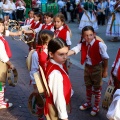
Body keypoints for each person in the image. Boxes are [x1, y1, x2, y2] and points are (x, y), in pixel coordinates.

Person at [68, 26, 109, 116]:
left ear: (94, 34)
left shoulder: (100, 45)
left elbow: (105, 58)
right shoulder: (83, 44)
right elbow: (75, 49)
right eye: (86, 35)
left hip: (97, 68)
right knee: (88, 85)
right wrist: (65, 54)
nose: (88, 37)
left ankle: (96, 106)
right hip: (87, 67)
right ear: (82, 36)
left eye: (90, 35)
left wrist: (105, 71)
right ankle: (88, 102)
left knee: (97, 88)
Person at [44, 38, 72, 120]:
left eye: (66, 53)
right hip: (56, 108)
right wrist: (64, 117)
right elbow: (58, 97)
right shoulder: (56, 73)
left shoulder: (54, 63)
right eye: (61, 54)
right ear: (51, 54)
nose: (65, 57)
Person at [29, 29, 54, 120]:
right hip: (41, 82)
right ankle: (40, 117)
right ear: (47, 43)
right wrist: (36, 87)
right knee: (41, 102)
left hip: (51, 81)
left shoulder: (53, 51)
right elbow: (34, 71)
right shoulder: (36, 54)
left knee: (51, 102)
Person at [0, 18, 21, 109]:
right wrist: (10, 64)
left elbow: (6, 33)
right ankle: (1, 103)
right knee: (1, 82)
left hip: (2, 62)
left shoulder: (1, 35)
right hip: (1, 62)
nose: (1, 27)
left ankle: (1, 100)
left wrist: (17, 33)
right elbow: (3, 55)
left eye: (2, 25)